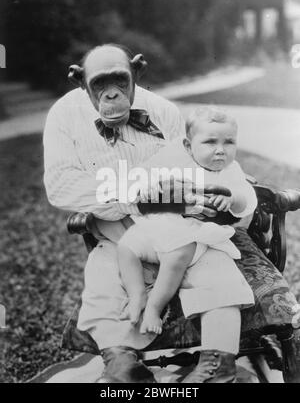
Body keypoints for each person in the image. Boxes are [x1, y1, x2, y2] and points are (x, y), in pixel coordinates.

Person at [43, 44, 300, 383]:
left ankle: (217, 364)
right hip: (120, 229)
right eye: (99, 86)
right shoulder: (64, 117)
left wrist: (215, 196)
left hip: (188, 228)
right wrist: (137, 195)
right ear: (80, 83)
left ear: (137, 72)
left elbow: (200, 166)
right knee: (104, 281)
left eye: (120, 81)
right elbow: (61, 186)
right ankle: (123, 364)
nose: (112, 95)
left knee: (218, 275)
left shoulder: (164, 112)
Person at [117, 107, 255, 337]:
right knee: (126, 247)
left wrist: (232, 197)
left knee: (176, 258)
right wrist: (149, 186)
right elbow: (145, 177)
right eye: (210, 142)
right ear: (189, 146)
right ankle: (137, 294)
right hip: (160, 226)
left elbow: (247, 197)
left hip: (196, 234)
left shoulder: (230, 171)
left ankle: (153, 308)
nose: (220, 150)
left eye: (229, 142)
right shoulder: (175, 161)